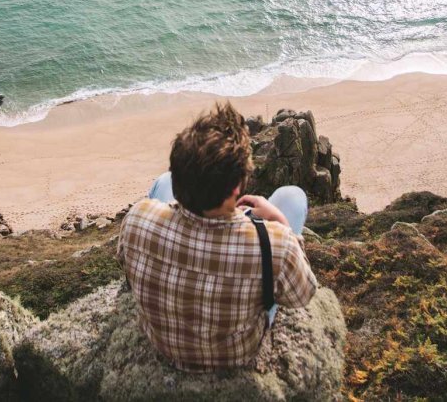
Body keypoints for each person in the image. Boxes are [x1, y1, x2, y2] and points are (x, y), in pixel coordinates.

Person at [116, 101, 317, 372]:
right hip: (236, 355)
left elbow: (124, 262)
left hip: (163, 344)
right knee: (292, 196)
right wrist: (279, 223)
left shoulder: (138, 217)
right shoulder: (274, 244)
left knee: (160, 182)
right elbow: (302, 296)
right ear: (237, 188)